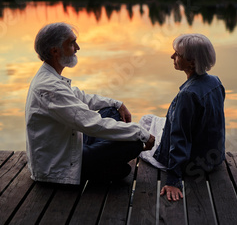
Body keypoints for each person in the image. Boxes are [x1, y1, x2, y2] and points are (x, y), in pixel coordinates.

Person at [25, 22, 155, 185]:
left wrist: (117, 104)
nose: (77, 47)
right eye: (72, 43)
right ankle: (104, 168)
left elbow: (81, 98)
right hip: (57, 166)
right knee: (134, 143)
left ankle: (108, 165)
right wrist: (140, 132)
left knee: (111, 111)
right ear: (55, 51)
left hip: (69, 145)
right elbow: (91, 124)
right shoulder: (50, 87)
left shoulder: (50, 76)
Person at [141, 33, 225, 201]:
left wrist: (173, 179)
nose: (172, 56)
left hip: (192, 164)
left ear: (192, 62)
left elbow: (180, 137)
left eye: (177, 54)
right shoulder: (215, 82)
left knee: (141, 137)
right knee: (148, 119)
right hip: (213, 157)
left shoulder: (188, 94)